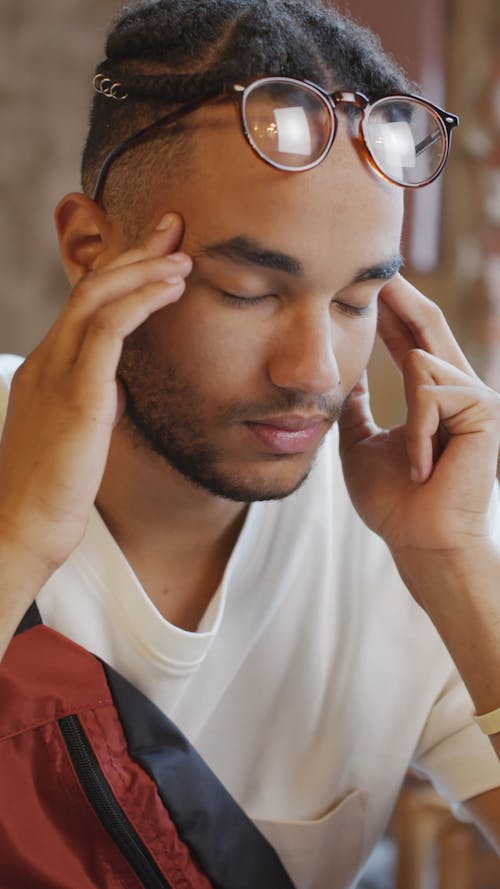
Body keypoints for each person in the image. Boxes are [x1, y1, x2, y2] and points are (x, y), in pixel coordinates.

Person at [0, 0, 499, 886]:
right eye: (247, 292)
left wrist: (456, 567)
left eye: (355, 303)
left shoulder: (419, 530)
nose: (315, 371)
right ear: (89, 247)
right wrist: (18, 537)